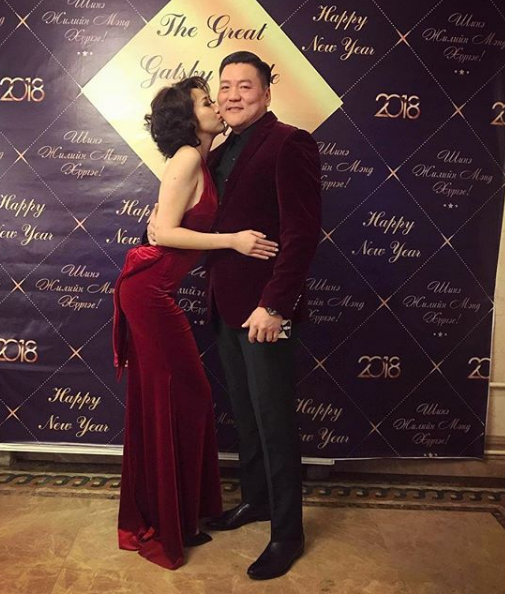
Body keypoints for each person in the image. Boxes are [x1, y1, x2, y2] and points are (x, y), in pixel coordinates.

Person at [148, 52, 321, 580]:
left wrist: (275, 305)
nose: (232, 95)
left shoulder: (290, 142)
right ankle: (257, 500)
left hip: (265, 309)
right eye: (224, 86)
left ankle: (287, 533)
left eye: (245, 86)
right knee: (246, 414)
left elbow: (301, 234)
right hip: (224, 305)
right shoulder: (217, 151)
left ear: (266, 93)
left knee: (274, 421)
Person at [113, 76, 279, 571]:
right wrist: (233, 240)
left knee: (180, 399)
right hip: (148, 292)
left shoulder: (205, 159)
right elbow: (164, 232)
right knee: (177, 398)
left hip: (155, 290)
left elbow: (163, 225)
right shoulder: (187, 157)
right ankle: (164, 521)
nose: (218, 105)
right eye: (208, 102)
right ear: (189, 119)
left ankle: (177, 515)